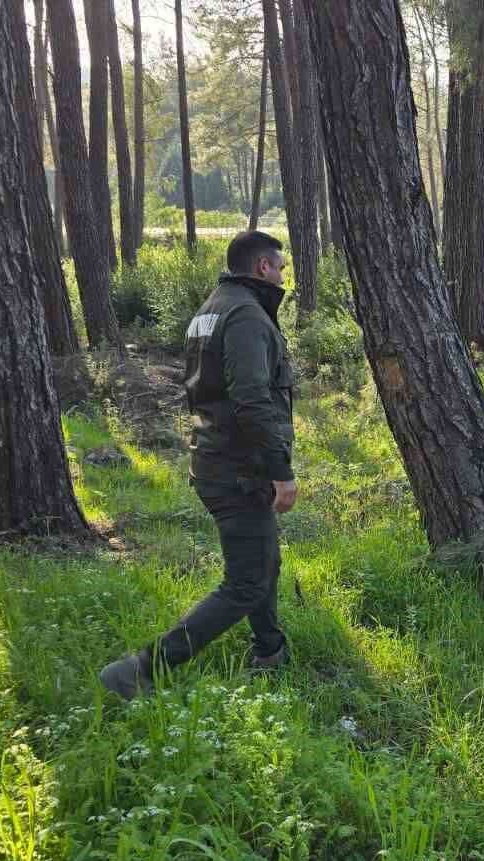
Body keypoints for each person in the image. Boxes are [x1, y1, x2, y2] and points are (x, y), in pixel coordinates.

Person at [100, 231, 298, 699]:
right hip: (239, 468)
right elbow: (251, 399)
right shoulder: (246, 315)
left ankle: (270, 651)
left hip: (217, 459)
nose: (283, 276)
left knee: (263, 563)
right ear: (263, 267)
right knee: (245, 583)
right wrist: (281, 471)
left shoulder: (212, 308)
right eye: (281, 267)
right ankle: (140, 670)